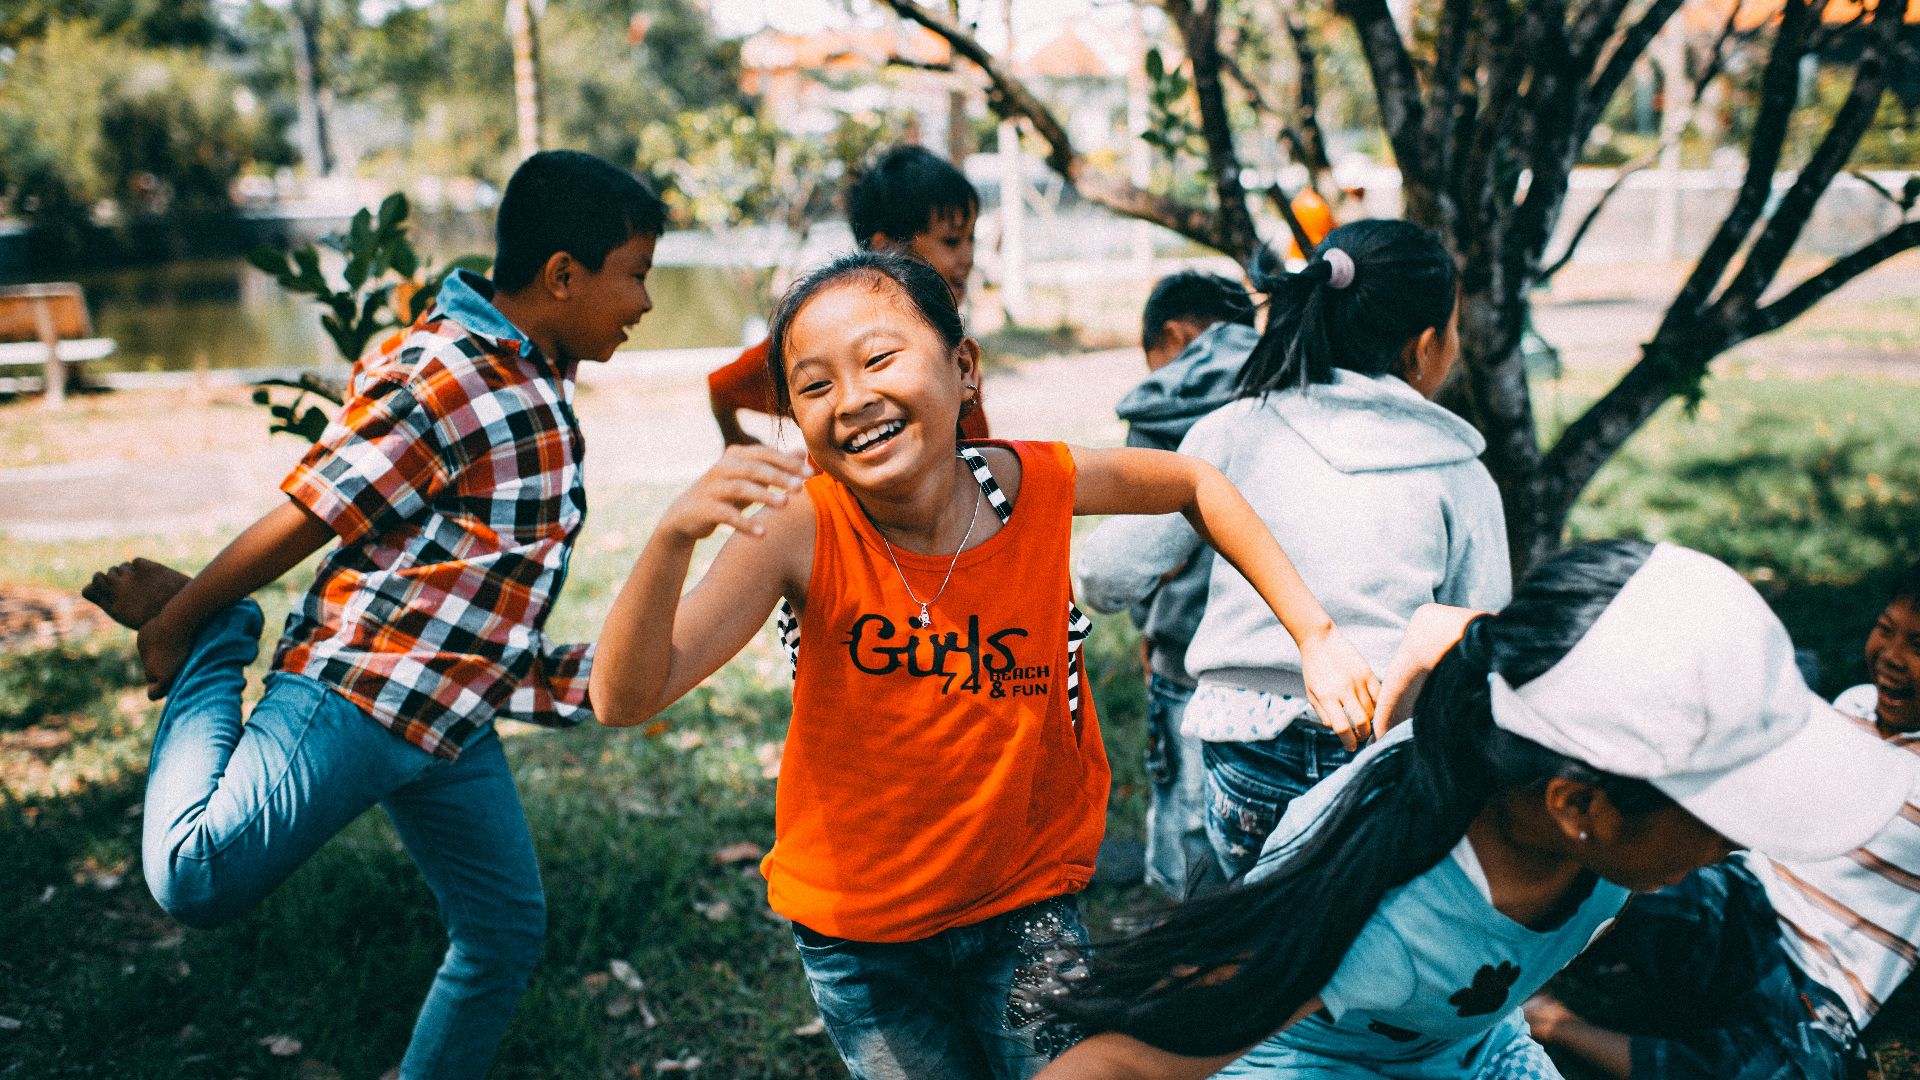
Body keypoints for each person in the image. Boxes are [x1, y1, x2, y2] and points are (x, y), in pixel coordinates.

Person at [590, 250, 1378, 1080]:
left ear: (963, 368)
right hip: (861, 938)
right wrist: (672, 538)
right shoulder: (802, 528)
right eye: (814, 386)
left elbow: (1194, 481)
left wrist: (1316, 633)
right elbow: (623, 698)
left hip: (1024, 902)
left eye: (880, 359)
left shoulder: (1033, 486)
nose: (853, 400)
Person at [79, 150, 665, 1079]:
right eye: (634, 275)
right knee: (193, 876)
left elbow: (475, 593)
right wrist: (186, 618)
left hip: (448, 721)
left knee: (504, 930)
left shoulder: (536, 377)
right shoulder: (449, 367)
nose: (642, 303)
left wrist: (591, 676)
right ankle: (223, 646)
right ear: (563, 274)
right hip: (359, 692)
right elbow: (319, 508)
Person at [1035, 540, 1920, 1080]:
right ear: (1581, 806)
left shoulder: (1528, 692)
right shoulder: (1371, 920)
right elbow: (1122, 1063)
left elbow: (1439, 632)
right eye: (1725, 807)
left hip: (1466, 1045)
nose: (1744, 839)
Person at [1080, 220, 1511, 884]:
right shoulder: (1458, 471)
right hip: (1378, 754)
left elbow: (1106, 571)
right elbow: (1480, 631)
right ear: (1424, 346)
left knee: (1253, 932)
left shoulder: (1232, 432)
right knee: (1342, 939)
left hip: (1244, 751)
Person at [1525, 557, 1920, 1080]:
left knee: (1795, 1071)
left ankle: (1552, 1024)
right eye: (1885, 630)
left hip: (1826, 979)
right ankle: (1527, 959)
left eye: (1918, 646)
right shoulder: (1852, 707)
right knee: (1627, 876)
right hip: (1744, 896)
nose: (1891, 656)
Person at [1075, 270, 1258, 899]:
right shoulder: (1286, 387)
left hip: (1185, 652)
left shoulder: (1165, 405)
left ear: (1174, 336)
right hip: (1280, 663)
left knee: (1187, 828)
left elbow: (1132, 558)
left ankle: (1180, 951)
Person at [708, 144, 990, 447]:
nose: (968, 257)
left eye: (970, 238)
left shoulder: (946, 335)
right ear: (888, 249)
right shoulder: (829, 332)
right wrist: (736, 439)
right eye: (951, 241)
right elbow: (723, 385)